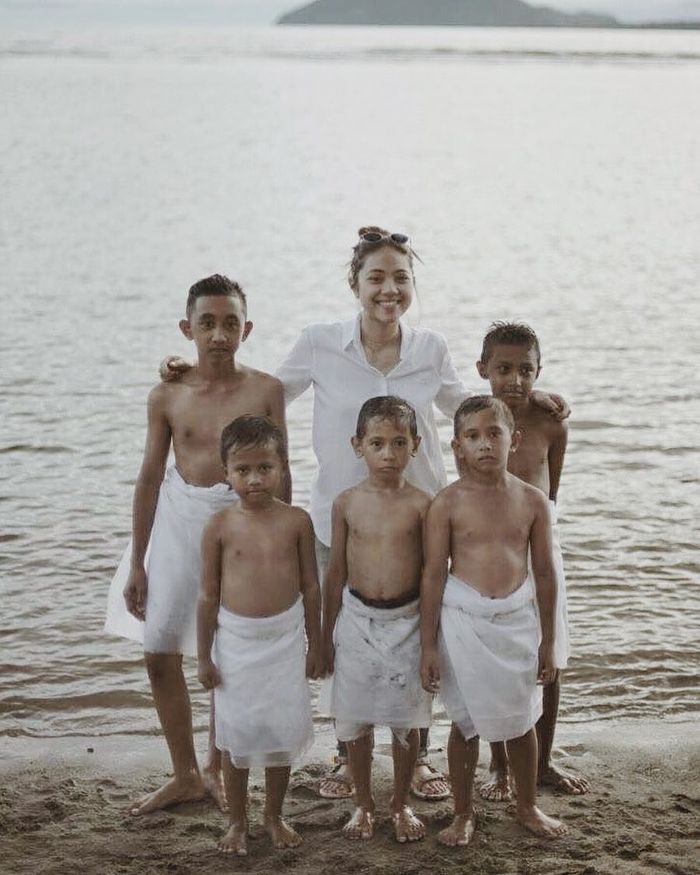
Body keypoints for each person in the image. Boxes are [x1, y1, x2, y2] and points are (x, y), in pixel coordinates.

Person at [161, 226, 569, 801]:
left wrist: (532, 399)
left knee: (413, 633)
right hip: (341, 517)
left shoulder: (430, 349)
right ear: (355, 283)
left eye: (401, 278)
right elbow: (263, 393)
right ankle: (346, 756)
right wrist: (196, 370)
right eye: (376, 277)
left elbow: (462, 406)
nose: (389, 289)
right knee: (350, 639)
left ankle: (418, 757)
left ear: (411, 285)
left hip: (417, 518)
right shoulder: (320, 341)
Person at [104, 275, 288, 816]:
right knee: (159, 649)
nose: (218, 334)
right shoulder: (168, 394)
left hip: (242, 524)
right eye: (206, 323)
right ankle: (184, 772)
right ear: (187, 329)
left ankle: (217, 767)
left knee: (226, 652)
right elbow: (148, 478)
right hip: (177, 524)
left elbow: (283, 471)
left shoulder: (265, 390)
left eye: (230, 322)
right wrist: (137, 561)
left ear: (246, 329)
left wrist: (280, 541)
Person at [420, 396, 567, 845]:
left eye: (494, 434)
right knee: (465, 724)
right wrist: (428, 644)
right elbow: (432, 575)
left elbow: (544, 573)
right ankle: (462, 813)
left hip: (516, 622)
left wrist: (548, 641)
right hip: (464, 620)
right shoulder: (446, 504)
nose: (485, 444)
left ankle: (526, 805)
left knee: (521, 721)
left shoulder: (533, 501)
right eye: (473, 436)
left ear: (513, 439)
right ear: (457, 447)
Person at [473, 322, 589, 799]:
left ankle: (542, 762)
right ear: (484, 371)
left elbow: (552, 490)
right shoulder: (478, 422)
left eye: (526, 370)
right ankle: (499, 764)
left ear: (539, 371)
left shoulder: (551, 421)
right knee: (498, 656)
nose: (515, 380)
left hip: (541, 547)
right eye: (503, 369)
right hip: (491, 553)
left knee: (550, 653)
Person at [198, 415, 322, 855]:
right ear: (225, 473)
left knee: (280, 731)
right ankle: (237, 821)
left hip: (285, 639)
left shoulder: (297, 521)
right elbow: (208, 596)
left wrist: (317, 642)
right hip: (235, 643)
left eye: (265, 468)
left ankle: (273, 814)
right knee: (238, 733)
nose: (255, 479)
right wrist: (203, 657)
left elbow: (310, 586)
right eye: (243, 470)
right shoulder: (219, 526)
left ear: (283, 467)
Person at [322, 396, 433, 842]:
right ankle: (363, 804)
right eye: (377, 443)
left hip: (407, 620)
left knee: (406, 720)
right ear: (358, 445)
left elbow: (431, 575)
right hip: (357, 620)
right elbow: (334, 574)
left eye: (398, 443)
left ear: (416, 446)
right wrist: (324, 635)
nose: (388, 453)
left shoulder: (425, 504)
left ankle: (400, 803)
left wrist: (430, 641)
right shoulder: (346, 503)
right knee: (356, 718)